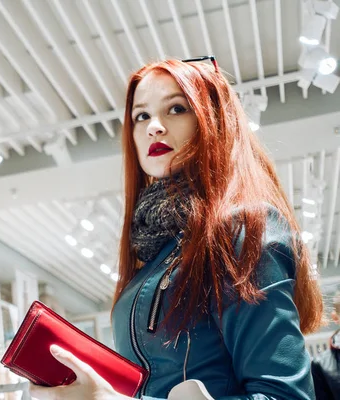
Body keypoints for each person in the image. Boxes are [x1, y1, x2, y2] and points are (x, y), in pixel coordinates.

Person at [29, 58, 324, 399]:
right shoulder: (153, 252)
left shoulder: (243, 228)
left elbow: (285, 395)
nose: (154, 126)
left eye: (177, 108)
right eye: (141, 116)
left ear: (211, 120)